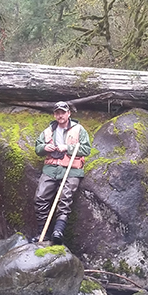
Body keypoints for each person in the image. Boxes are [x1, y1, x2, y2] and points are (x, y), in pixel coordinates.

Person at [31, 101, 92, 244]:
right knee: (40, 198)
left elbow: (86, 149)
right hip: (51, 169)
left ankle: (58, 232)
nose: (60, 115)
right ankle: (43, 232)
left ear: (68, 113)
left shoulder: (79, 130)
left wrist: (67, 148)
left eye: (63, 112)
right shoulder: (48, 131)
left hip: (72, 169)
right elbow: (38, 148)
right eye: (57, 113)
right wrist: (46, 147)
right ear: (54, 115)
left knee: (64, 199)